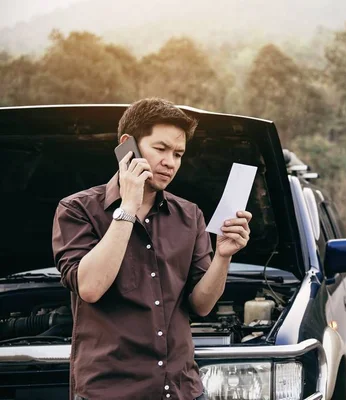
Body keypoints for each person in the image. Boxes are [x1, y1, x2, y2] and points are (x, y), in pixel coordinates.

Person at [52, 98, 252, 400]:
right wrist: (128, 207)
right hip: (110, 393)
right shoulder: (77, 210)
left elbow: (201, 305)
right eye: (160, 149)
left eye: (178, 154)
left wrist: (223, 256)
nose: (170, 162)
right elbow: (90, 287)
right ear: (127, 146)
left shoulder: (190, 216)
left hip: (182, 389)